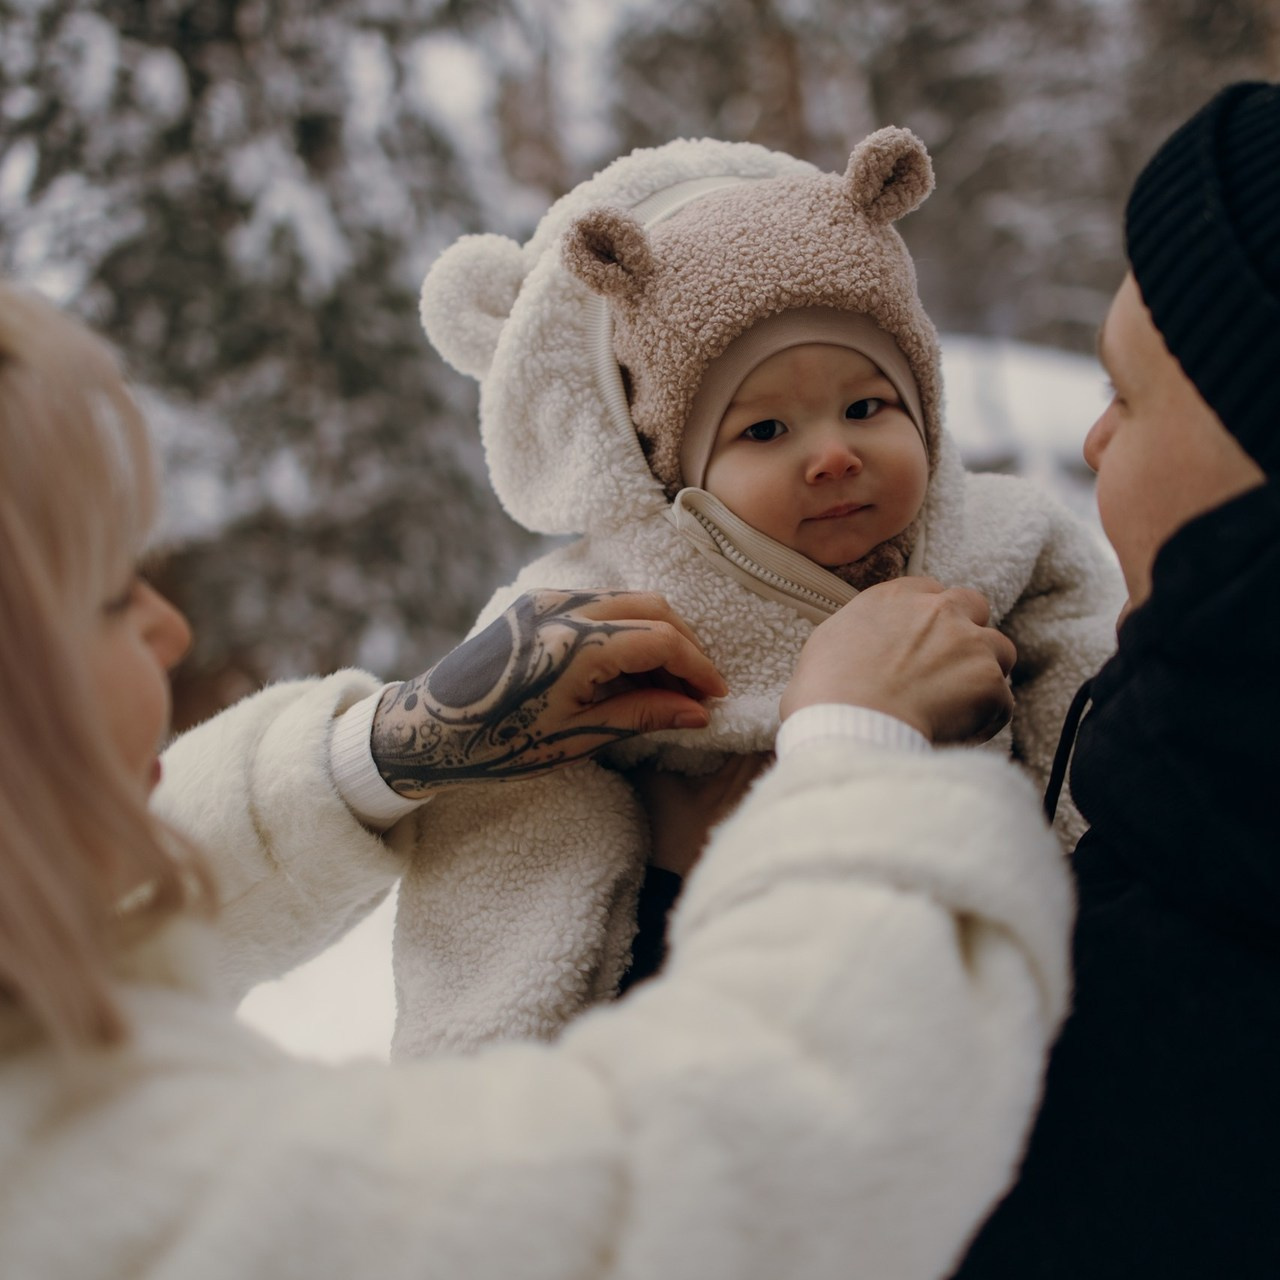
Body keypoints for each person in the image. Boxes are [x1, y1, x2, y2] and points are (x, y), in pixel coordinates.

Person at [0, 279, 1073, 1279]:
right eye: (103, 596)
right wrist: (856, 748)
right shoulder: (104, 1172)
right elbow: (696, 1185)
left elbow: (86, 907)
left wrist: (384, 748)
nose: (170, 625)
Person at [390, 126, 1119, 1056]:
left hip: (1003, 1027)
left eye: (869, 407)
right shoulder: (604, 618)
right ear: (666, 469)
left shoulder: (1005, 540)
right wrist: (490, 1058)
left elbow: (1088, 697)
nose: (834, 454)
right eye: (766, 428)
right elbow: (508, 862)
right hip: (738, 1034)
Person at [815, 82, 1278, 1279]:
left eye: (1126, 392)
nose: (1091, 441)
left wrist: (843, 756)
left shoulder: (1194, 1023)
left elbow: (794, 1201)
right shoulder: (1204, 798)